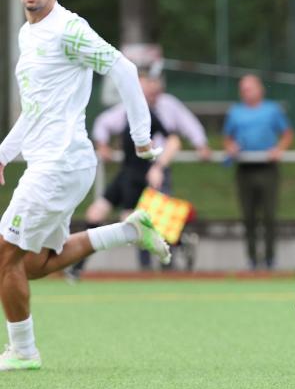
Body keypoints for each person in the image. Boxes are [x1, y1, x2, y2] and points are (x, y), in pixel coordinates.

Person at [0, 0, 170, 371]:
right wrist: (3, 154)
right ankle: (129, 231)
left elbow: (124, 69)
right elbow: (35, 110)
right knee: (34, 263)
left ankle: (23, 352)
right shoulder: (29, 33)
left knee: (4, 256)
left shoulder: (68, 29)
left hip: (60, 165)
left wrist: (141, 138)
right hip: (54, 164)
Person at [68, 72, 211, 279]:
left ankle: (174, 249)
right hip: (125, 175)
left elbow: (174, 141)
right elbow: (103, 124)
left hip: (145, 177)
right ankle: (76, 268)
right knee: (94, 214)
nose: (150, 93)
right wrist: (103, 144)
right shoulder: (127, 111)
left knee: (136, 223)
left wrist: (158, 167)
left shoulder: (151, 115)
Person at [223, 74, 294, 270]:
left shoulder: (272, 109)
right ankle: (252, 259)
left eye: (250, 88)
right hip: (245, 168)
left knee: (269, 215)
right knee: (248, 216)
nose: (246, 93)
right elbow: (227, 138)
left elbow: (287, 133)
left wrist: (278, 149)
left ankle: (270, 259)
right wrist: (231, 148)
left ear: (260, 89)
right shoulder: (235, 112)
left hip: (267, 168)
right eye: (243, 89)